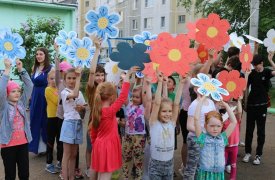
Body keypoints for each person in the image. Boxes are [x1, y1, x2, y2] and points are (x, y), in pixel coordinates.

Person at [90, 66, 139, 180]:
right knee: (106, 174)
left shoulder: (96, 110)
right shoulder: (110, 111)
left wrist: (94, 145)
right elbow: (122, 97)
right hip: (108, 146)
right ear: (112, 96)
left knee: (97, 170)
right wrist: (128, 75)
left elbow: (93, 131)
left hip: (98, 144)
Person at [0, 59, 33, 180]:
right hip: (8, 145)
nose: (17, 93)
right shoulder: (3, 106)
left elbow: (30, 86)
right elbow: (0, 91)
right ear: (7, 93)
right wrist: (7, 70)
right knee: (10, 175)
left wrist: (21, 70)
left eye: (18, 91)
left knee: (24, 174)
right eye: (13, 91)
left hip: (23, 144)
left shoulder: (22, 104)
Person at [148, 71, 185, 180]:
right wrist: (160, 83)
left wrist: (181, 83)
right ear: (158, 112)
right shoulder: (153, 123)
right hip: (155, 166)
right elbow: (157, 104)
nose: (168, 114)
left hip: (169, 164)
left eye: (169, 111)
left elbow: (176, 103)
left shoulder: (172, 123)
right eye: (164, 111)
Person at [194, 96, 237, 180]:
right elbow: (196, 119)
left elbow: (234, 122)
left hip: (219, 174)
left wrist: (226, 106)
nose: (215, 129)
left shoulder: (223, 138)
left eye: (218, 126)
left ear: (222, 126)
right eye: (212, 126)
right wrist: (201, 101)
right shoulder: (202, 137)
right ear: (206, 126)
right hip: (205, 174)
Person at [243, 53, 275, 165]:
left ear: (262, 63)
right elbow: (245, 88)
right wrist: (245, 102)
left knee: (261, 131)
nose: (256, 67)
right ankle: (247, 152)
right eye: (254, 65)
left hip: (262, 106)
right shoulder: (251, 74)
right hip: (251, 105)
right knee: (249, 130)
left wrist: (270, 60)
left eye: (257, 65)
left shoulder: (266, 72)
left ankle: (258, 155)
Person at [60, 68, 86, 180]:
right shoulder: (64, 92)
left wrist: (82, 109)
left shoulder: (80, 93)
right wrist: (79, 76)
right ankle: (65, 177)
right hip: (68, 124)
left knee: (74, 154)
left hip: (78, 123)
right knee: (67, 154)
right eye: (69, 78)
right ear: (65, 80)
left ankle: (71, 177)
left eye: (74, 78)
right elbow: (74, 94)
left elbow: (83, 113)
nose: (71, 80)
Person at [184, 88, 216, 180]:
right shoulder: (194, 105)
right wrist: (203, 133)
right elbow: (189, 126)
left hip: (208, 139)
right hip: (195, 139)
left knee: (202, 166)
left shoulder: (211, 102)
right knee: (192, 167)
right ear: (196, 89)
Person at [85, 37, 105, 178]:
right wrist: (97, 50)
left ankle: (100, 168)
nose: (99, 77)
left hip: (105, 123)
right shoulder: (91, 89)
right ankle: (88, 168)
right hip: (93, 122)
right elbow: (91, 72)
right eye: (97, 75)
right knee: (90, 148)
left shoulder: (107, 89)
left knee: (102, 149)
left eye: (101, 75)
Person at [29, 47, 52, 154]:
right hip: (35, 97)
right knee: (34, 119)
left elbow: (52, 83)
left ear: (45, 55)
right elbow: (32, 83)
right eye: (37, 54)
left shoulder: (50, 68)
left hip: (45, 97)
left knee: (44, 121)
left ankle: (46, 146)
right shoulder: (35, 67)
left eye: (41, 54)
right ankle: (37, 147)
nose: (38, 56)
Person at [122, 85, 146, 180]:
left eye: (137, 97)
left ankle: (138, 177)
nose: (134, 99)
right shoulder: (128, 105)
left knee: (138, 160)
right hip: (128, 136)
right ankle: (125, 177)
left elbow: (147, 95)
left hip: (139, 137)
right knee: (126, 158)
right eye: (133, 96)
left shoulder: (143, 107)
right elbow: (124, 95)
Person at [44, 69, 62, 174]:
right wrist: (62, 93)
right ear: (48, 79)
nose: (54, 81)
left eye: (56, 78)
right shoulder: (48, 89)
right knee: (50, 142)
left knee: (60, 141)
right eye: (51, 78)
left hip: (60, 118)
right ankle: (49, 163)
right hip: (51, 118)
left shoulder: (61, 89)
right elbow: (57, 101)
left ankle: (60, 161)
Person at [223, 97, 243, 180]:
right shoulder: (223, 121)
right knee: (222, 163)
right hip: (225, 146)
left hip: (234, 146)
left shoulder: (237, 121)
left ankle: (232, 178)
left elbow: (240, 111)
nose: (233, 112)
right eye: (231, 111)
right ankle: (221, 177)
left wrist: (238, 100)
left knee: (233, 164)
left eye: (234, 111)